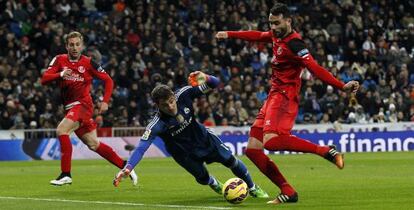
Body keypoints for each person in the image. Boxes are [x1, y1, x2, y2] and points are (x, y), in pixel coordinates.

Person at [215, 3, 359, 204]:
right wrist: (229, 34)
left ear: (288, 21)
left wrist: (341, 86)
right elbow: (257, 35)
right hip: (272, 96)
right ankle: (288, 191)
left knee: (272, 142)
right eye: (270, 23)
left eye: (276, 23)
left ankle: (326, 151)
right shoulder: (276, 36)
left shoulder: (295, 44)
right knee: (253, 150)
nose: (272, 27)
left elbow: (315, 68)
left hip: (284, 97)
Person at [113, 71, 268, 199]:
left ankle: (253, 187)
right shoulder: (157, 124)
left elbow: (215, 83)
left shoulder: (184, 94)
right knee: (203, 178)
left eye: (171, 101)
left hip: (205, 139)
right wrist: (128, 167)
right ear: (157, 105)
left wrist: (205, 77)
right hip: (184, 154)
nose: (170, 106)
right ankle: (216, 184)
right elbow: (141, 147)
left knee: (231, 161)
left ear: (174, 96)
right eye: (164, 105)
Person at [41, 31, 137, 186]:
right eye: (71, 44)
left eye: (77, 44)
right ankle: (126, 166)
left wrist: (105, 101)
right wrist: (60, 74)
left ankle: (66, 174)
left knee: (61, 130)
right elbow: (44, 79)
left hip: (83, 105)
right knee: (93, 144)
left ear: (82, 45)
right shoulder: (59, 60)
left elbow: (109, 81)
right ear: (66, 46)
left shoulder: (89, 62)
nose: (74, 47)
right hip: (70, 107)